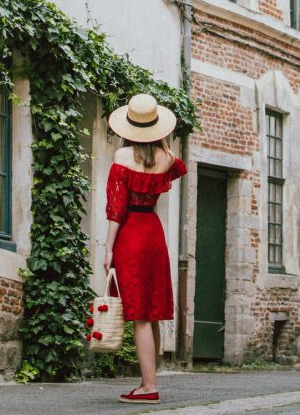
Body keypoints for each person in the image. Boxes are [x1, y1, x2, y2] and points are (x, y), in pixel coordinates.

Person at [104, 93, 187, 405]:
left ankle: (149, 387)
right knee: (150, 313)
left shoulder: (122, 159)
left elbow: (116, 210)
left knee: (139, 313)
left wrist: (108, 249)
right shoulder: (167, 158)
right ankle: (147, 380)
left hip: (131, 236)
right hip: (154, 234)